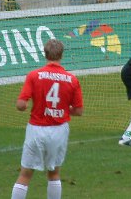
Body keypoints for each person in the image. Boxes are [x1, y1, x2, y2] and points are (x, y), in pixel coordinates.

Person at [11, 39, 84, 199]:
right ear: (61, 55)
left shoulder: (34, 75)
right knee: (54, 173)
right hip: (59, 130)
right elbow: (79, 111)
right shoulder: (72, 79)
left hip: (36, 129)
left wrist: (23, 106)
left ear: (45, 54)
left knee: (25, 174)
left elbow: (21, 104)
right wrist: (62, 109)